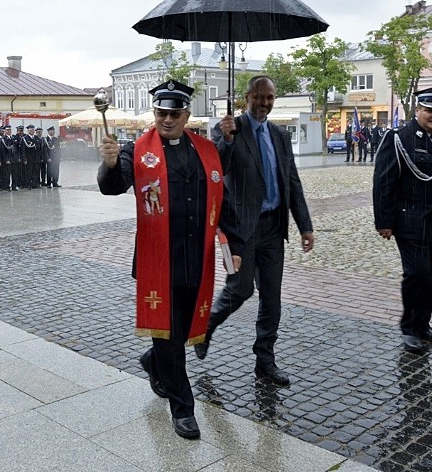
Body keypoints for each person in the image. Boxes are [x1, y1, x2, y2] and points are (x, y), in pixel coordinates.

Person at [98, 79, 242, 440]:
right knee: (171, 335)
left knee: (176, 334)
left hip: (198, 258)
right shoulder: (137, 149)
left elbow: (221, 201)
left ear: (186, 115)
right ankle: (184, 410)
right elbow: (113, 185)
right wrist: (111, 164)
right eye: (160, 113)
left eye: (173, 114)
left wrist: (234, 245)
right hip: (158, 261)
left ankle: (153, 362)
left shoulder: (206, 150)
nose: (166, 119)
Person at [194, 75, 314, 387]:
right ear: (247, 98)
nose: (263, 103)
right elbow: (217, 170)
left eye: (269, 98)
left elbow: (292, 181)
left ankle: (265, 360)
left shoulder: (279, 135)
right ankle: (206, 326)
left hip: (274, 228)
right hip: (242, 228)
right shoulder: (232, 129)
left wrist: (305, 226)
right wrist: (228, 139)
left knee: (272, 297)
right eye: (258, 97)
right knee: (241, 289)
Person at [373, 86, 432, 352]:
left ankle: (424, 324)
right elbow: (383, 182)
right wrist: (384, 221)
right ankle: (410, 329)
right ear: (418, 110)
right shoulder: (399, 138)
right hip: (409, 219)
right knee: (416, 273)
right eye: (429, 111)